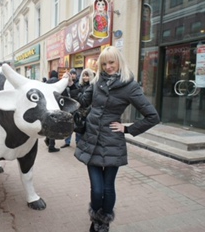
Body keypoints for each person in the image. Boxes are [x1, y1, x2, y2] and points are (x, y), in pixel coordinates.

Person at [64, 46, 160, 232]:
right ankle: (95, 217)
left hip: (112, 142)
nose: (108, 67)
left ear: (119, 62)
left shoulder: (130, 86)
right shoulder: (97, 81)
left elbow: (152, 116)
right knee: (96, 189)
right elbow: (83, 101)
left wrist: (128, 129)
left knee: (107, 187)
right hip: (91, 140)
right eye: (104, 63)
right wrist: (70, 86)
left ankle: (103, 222)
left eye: (111, 62)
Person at [61, 68, 81, 148]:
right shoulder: (65, 84)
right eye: (71, 73)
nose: (73, 75)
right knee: (68, 126)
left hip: (77, 107)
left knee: (78, 126)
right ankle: (67, 142)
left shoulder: (78, 84)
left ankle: (78, 142)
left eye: (74, 73)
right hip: (68, 108)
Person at [45, 70, 61, 152]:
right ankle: (51, 145)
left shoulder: (47, 82)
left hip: (48, 106)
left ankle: (48, 139)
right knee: (54, 127)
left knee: (49, 125)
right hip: (55, 106)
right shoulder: (59, 82)